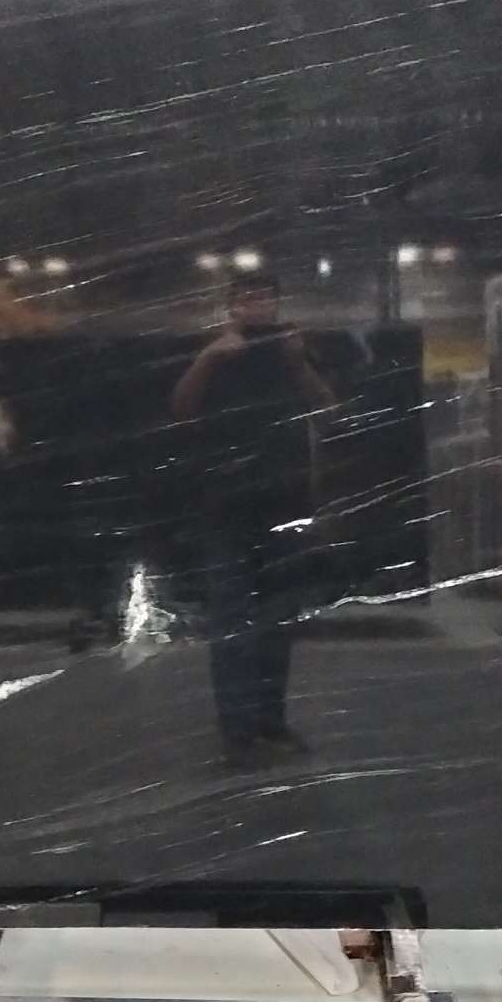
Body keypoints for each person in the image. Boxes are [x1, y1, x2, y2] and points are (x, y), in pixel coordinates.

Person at [170, 272, 336, 760]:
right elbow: (180, 408)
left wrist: (297, 360)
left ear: (277, 304)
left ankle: (269, 723)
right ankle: (238, 733)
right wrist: (208, 358)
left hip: (283, 505)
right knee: (231, 624)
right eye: (246, 299)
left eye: (264, 298)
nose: (256, 306)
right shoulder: (213, 352)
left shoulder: (291, 349)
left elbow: (328, 407)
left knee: (277, 623)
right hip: (225, 508)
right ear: (231, 307)